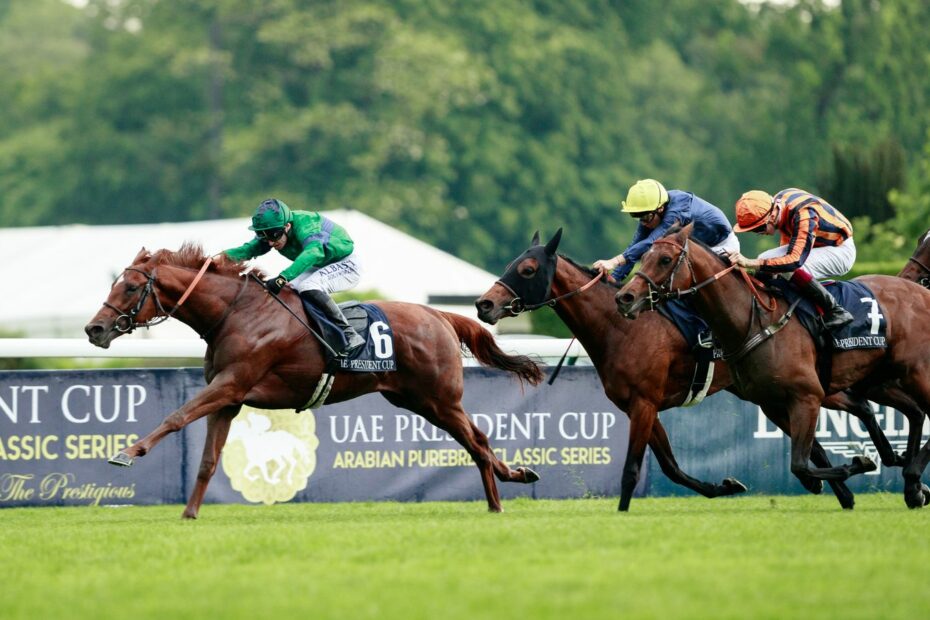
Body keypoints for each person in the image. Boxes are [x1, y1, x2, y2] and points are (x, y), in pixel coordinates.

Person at [224, 198, 366, 355]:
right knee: (289, 288)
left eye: (273, 235)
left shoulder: (306, 222)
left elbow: (314, 252)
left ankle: (348, 333)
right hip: (319, 265)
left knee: (307, 286)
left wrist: (282, 277)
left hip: (347, 264)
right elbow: (249, 249)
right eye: (263, 236)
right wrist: (218, 258)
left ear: (287, 226)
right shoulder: (274, 231)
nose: (270, 242)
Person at [726, 188, 855, 331]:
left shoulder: (804, 213)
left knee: (790, 269)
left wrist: (750, 264)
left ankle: (835, 310)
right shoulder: (777, 203)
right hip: (817, 246)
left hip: (840, 250)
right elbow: (788, 246)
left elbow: (794, 261)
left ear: (772, 215)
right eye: (754, 231)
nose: (759, 233)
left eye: (759, 228)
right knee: (764, 258)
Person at [593, 179, 740, 283]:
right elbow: (634, 248)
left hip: (723, 247)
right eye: (636, 217)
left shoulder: (677, 210)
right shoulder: (651, 210)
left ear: (660, 208)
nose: (643, 222)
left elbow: (651, 242)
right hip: (697, 249)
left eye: (645, 217)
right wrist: (614, 279)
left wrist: (614, 261)